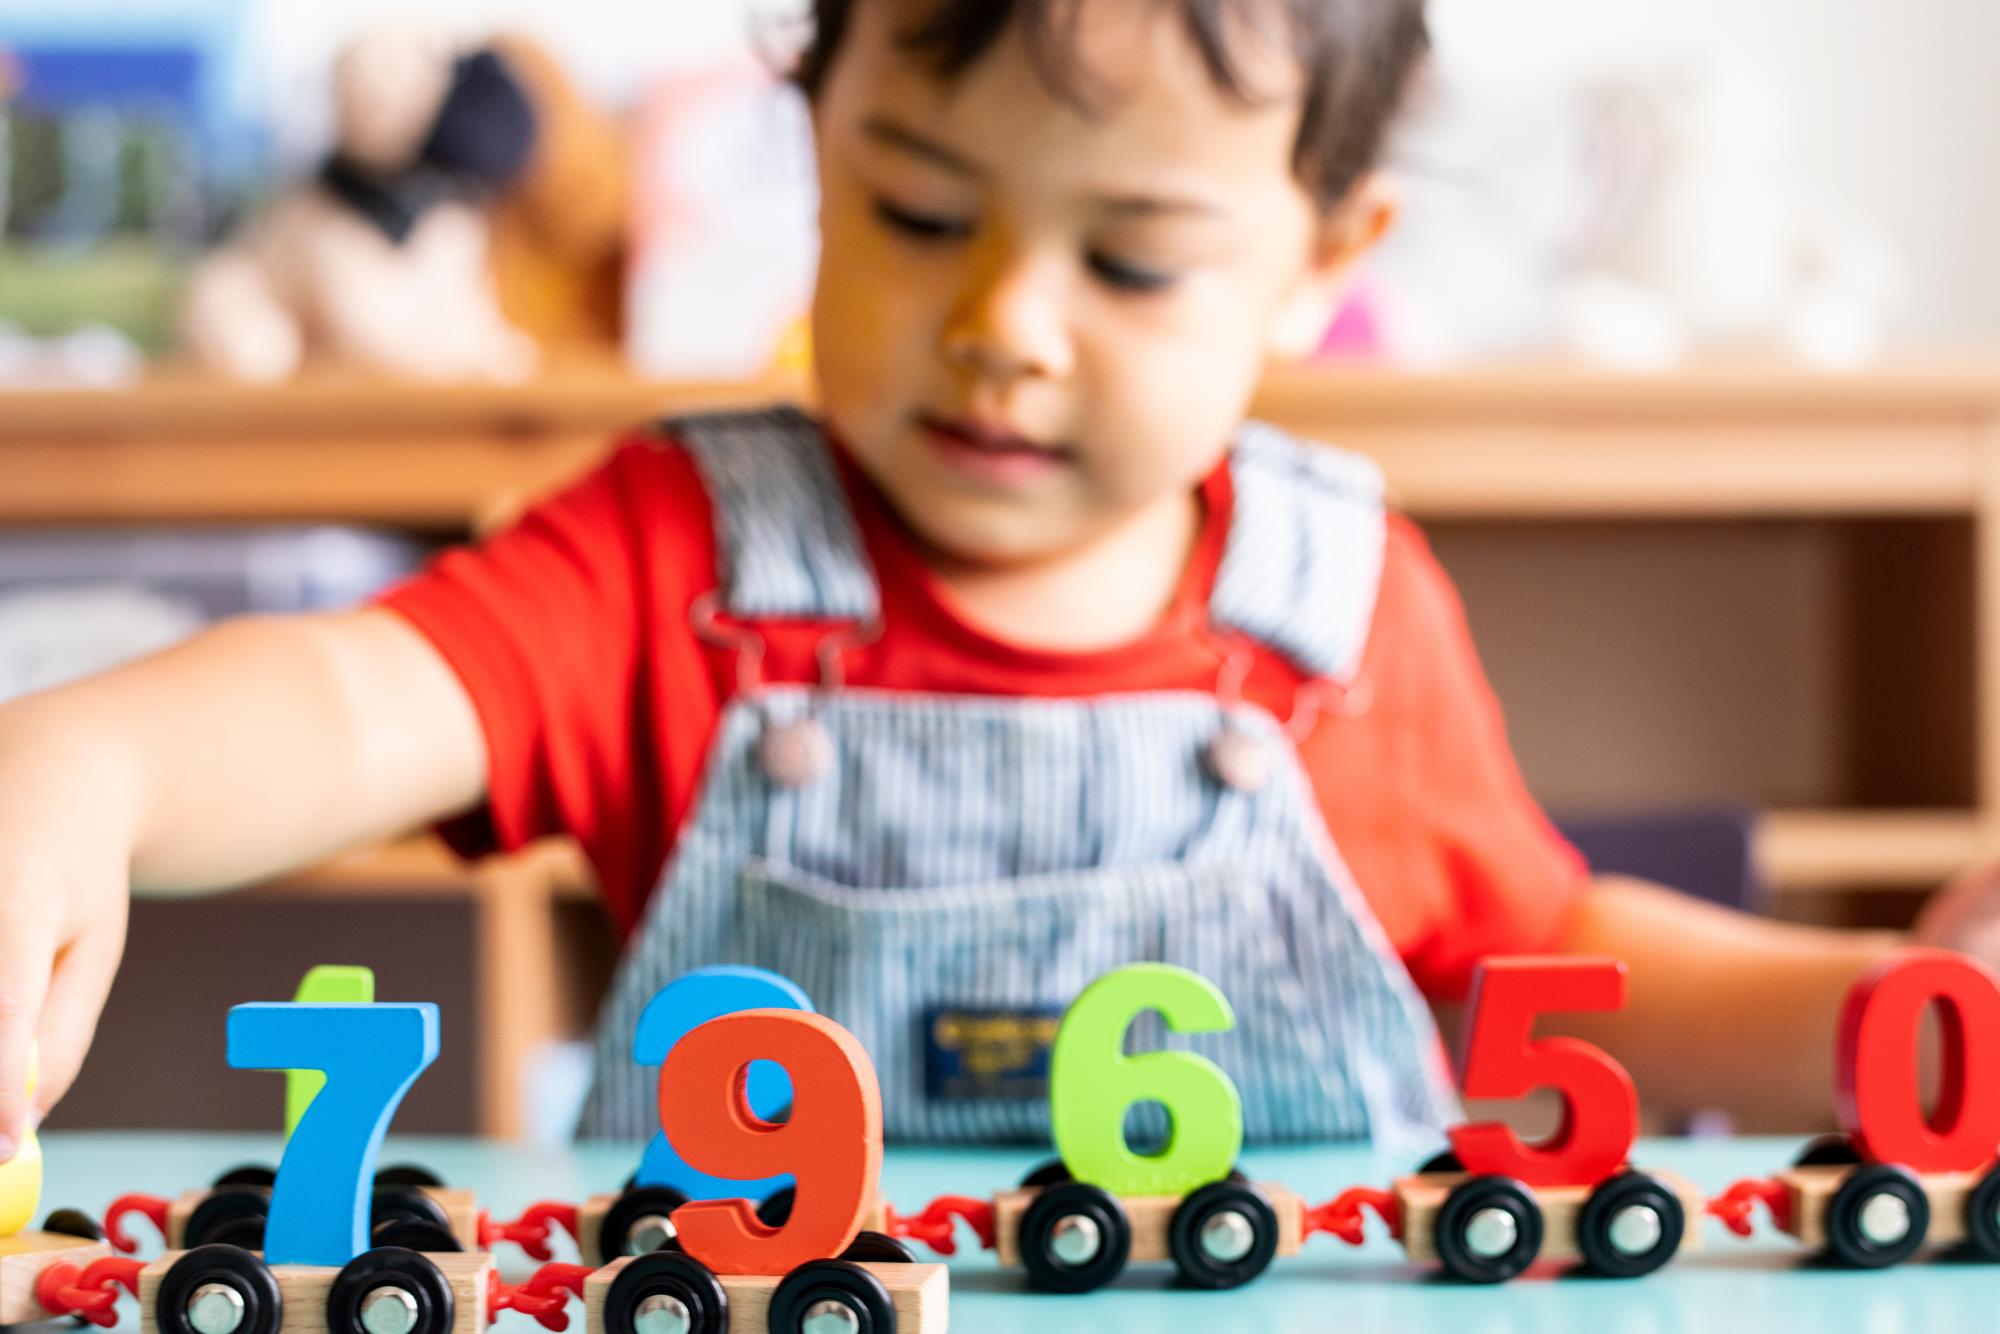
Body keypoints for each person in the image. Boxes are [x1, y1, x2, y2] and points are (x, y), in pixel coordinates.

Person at [1, 0, 1994, 1155]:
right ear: (811, 131)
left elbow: (1538, 968)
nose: (1003, 325)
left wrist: (1885, 1012)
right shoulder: (679, 558)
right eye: (914, 209)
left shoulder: (1337, 603)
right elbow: (363, 696)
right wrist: (83, 772)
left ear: (1322, 254)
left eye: (1129, 258)